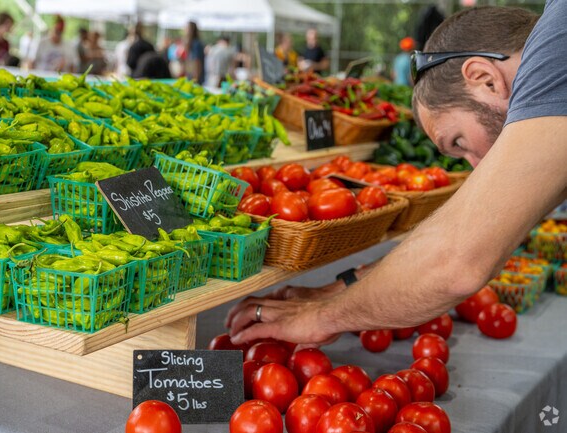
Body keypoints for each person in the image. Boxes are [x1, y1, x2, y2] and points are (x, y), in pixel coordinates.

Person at [227, 4, 567, 347]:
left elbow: (459, 260)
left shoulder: (558, 45)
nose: (476, 166)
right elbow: (482, 233)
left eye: (459, 142)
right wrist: (346, 284)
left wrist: (319, 318)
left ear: (484, 79)